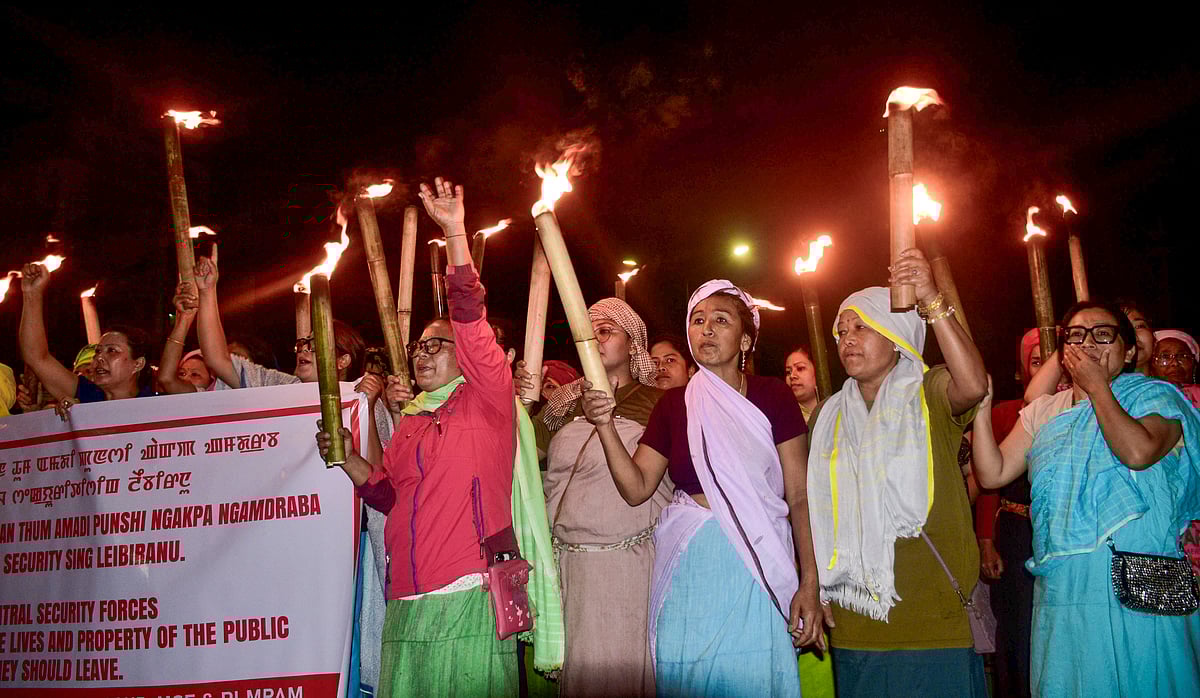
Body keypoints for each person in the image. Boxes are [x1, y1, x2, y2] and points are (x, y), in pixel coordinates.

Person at [317, 177, 520, 696]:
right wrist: (345, 457)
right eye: (418, 347)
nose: (422, 353)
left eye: (437, 345)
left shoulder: (488, 400)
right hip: (404, 597)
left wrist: (455, 232)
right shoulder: (410, 421)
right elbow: (388, 495)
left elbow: (470, 320)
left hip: (467, 588)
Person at [581, 279, 823, 696]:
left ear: (746, 339)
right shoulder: (674, 405)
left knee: (754, 673)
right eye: (697, 320)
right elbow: (637, 487)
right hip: (691, 562)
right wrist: (604, 426)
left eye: (720, 320)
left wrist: (810, 582)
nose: (706, 329)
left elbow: (800, 496)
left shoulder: (773, 396)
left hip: (757, 558)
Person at [972, 300, 1200, 696]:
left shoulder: (1156, 397)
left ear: (1128, 352)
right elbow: (993, 473)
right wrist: (981, 409)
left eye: (1103, 334)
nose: (1088, 343)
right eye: (1076, 335)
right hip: (1065, 582)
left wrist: (1097, 388)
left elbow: (1138, 452)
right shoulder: (1046, 411)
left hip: (1137, 577)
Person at [807, 249, 990, 697]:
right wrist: (812, 586)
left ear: (896, 337)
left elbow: (973, 384)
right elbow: (810, 510)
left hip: (931, 618)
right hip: (853, 622)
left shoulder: (929, 392)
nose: (847, 338)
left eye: (862, 326)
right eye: (842, 330)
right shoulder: (825, 418)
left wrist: (930, 298)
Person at [529, 298, 665, 697]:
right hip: (565, 566)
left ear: (633, 343)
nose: (593, 340)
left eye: (605, 331)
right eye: (586, 332)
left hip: (625, 568)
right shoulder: (562, 404)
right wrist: (514, 400)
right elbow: (518, 457)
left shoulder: (658, 403)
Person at [975, 327, 1041, 698]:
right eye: (1035, 361)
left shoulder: (1079, 410)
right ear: (1021, 371)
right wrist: (987, 540)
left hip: (1064, 534)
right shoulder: (1004, 414)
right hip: (1017, 534)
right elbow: (990, 482)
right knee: (1018, 625)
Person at [19, 261, 155, 407]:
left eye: (112, 351)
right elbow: (36, 357)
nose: (99, 358)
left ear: (138, 364)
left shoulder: (156, 406)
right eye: (98, 351)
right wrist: (32, 294)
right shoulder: (88, 397)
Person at [1152, 329, 1200, 407]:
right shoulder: (1145, 394)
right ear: (1152, 364)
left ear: (1194, 365)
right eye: (1165, 357)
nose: (1175, 363)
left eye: (1182, 356)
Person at [783, 345, 819, 423]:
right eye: (788, 372)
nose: (792, 376)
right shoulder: (784, 418)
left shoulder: (838, 407)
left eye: (800, 368)